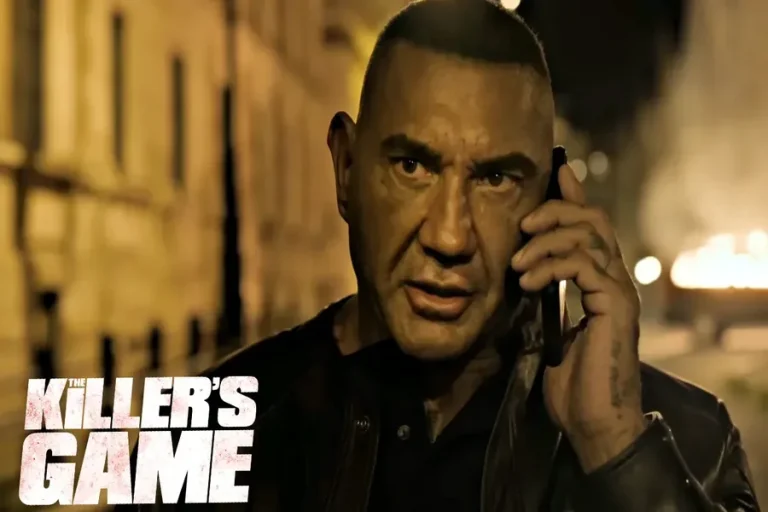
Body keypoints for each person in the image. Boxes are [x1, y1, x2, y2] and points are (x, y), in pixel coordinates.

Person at [120, 1, 759, 510]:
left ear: (552, 198)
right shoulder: (203, 429)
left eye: (495, 179)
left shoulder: (686, 440)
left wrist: (618, 450)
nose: (450, 238)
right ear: (346, 169)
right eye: (412, 166)